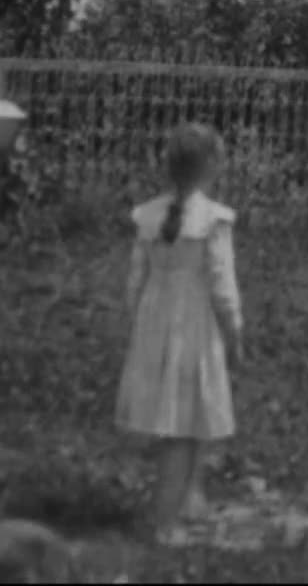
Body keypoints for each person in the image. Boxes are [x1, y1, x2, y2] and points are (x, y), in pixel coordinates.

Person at [115, 122, 243, 545]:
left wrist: (136, 326)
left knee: (176, 416)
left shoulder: (148, 216)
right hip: (195, 326)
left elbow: (134, 280)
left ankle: (187, 499)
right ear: (212, 166)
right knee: (183, 426)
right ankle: (164, 523)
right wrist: (235, 333)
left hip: (154, 324)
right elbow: (222, 288)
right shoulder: (214, 220)